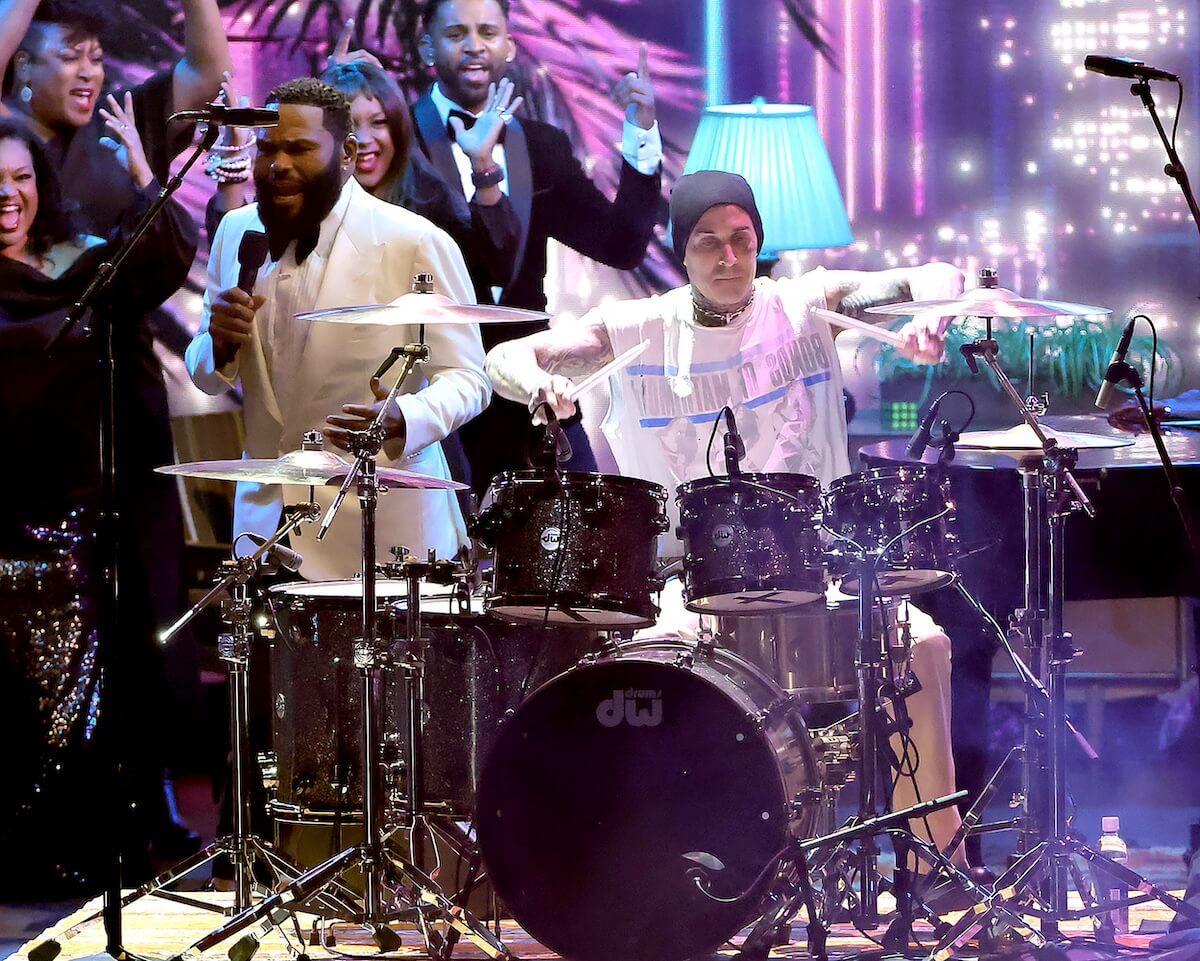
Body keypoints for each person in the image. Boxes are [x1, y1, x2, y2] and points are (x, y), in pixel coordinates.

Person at [485, 170, 970, 883]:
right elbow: (505, 357)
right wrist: (540, 383)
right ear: (684, 252)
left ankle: (936, 867)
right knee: (655, 667)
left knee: (924, 646)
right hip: (693, 578)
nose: (728, 257)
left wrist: (930, 313)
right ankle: (684, 875)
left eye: (742, 239)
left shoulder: (809, 303)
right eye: (708, 242)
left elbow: (934, 274)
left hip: (822, 569)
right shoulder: (635, 329)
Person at [0, 110, 197, 894]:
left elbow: (160, 260)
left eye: (19, 177)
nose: (7, 195)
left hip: (75, 527)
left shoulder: (82, 269)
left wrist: (151, 175)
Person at [186, 78, 489, 581]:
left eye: (299, 148)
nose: (278, 164)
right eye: (268, 149)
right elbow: (208, 374)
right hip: (266, 529)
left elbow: (469, 378)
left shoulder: (413, 241)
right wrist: (217, 345)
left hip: (384, 533)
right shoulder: (235, 231)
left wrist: (407, 416)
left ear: (346, 153)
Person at [410, 0, 662, 495]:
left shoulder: (542, 146)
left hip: (531, 394)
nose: (474, 45)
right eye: (456, 33)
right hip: (433, 394)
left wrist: (641, 130)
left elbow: (622, 244)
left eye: (487, 32)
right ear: (427, 47)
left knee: (587, 536)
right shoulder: (400, 137)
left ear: (509, 46)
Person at [1, 0, 230, 235]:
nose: (88, 72)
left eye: (96, 59)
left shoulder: (119, 121)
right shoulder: (5, 133)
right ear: (24, 65)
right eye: (70, 57)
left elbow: (208, 76)